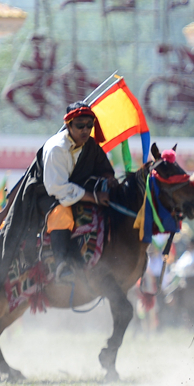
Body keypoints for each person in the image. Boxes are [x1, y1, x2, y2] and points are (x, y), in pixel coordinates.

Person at [41, 102, 117, 279]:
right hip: (50, 196)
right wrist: (94, 197)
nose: (86, 130)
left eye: (89, 126)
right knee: (62, 215)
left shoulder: (90, 145)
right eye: (80, 126)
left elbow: (104, 168)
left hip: (83, 194)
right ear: (68, 125)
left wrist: (109, 179)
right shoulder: (56, 149)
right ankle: (62, 266)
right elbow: (58, 188)